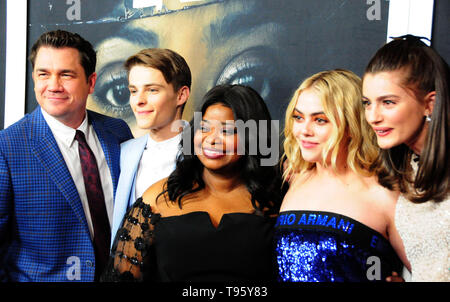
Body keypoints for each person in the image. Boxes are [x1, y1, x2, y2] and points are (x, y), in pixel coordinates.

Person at [102, 84, 282, 281]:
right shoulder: (157, 198)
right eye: (204, 128)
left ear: (253, 137)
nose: (211, 139)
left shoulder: (277, 199)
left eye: (227, 131)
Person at [0, 30, 133, 282]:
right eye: (43, 74)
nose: (53, 86)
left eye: (66, 74)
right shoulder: (6, 148)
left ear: (91, 82)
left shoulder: (118, 132)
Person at [276, 69, 408, 282]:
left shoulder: (383, 193)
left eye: (320, 120)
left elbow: (433, 268)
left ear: (350, 125)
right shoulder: (294, 177)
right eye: (298, 117)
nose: (304, 130)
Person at [362, 35, 449, 282]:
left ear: (429, 104)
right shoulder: (404, 171)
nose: (373, 117)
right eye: (367, 103)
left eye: (388, 102)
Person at [110, 48, 191, 246]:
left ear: (181, 95)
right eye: (133, 91)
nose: (139, 101)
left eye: (152, 90)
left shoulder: (203, 152)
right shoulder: (124, 152)